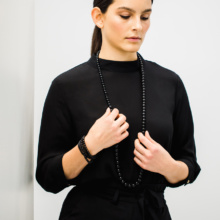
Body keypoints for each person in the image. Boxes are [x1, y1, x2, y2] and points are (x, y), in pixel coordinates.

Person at [35, 0, 201, 219]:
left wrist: (168, 166)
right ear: (98, 17)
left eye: (144, 17)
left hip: (152, 213)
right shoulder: (67, 86)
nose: (138, 26)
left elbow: (189, 165)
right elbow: (48, 177)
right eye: (125, 16)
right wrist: (89, 146)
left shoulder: (169, 83)